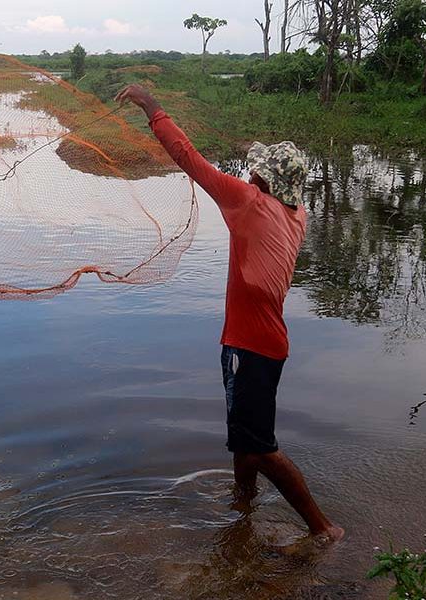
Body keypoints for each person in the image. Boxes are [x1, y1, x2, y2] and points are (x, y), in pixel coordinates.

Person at [115, 84, 344, 546]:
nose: (250, 175)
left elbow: (190, 159)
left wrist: (153, 107)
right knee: (244, 435)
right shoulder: (296, 215)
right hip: (267, 343)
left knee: (261, 446)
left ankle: (323, 529)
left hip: (250, 346)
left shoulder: (247, 202)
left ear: (262, 180)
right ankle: (244, 503)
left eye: (256, 171)